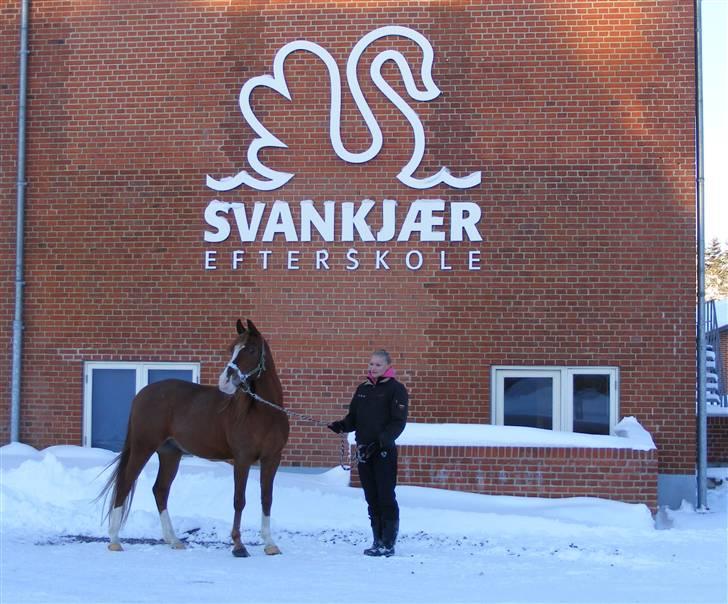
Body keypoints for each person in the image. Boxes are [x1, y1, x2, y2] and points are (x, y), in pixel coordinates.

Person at [328, 349, 409, 557]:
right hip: (364, 452)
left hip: (383, 453)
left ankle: (388, 543)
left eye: (377, 365)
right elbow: (353, 417)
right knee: (371, 497)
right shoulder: (362, 389)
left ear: (388, 367)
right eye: (371, 364)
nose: (372, 368)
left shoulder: (396, 389)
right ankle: (377, 539)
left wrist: (381, 442)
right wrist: (341, 425)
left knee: (385, 496)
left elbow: (397, 423)